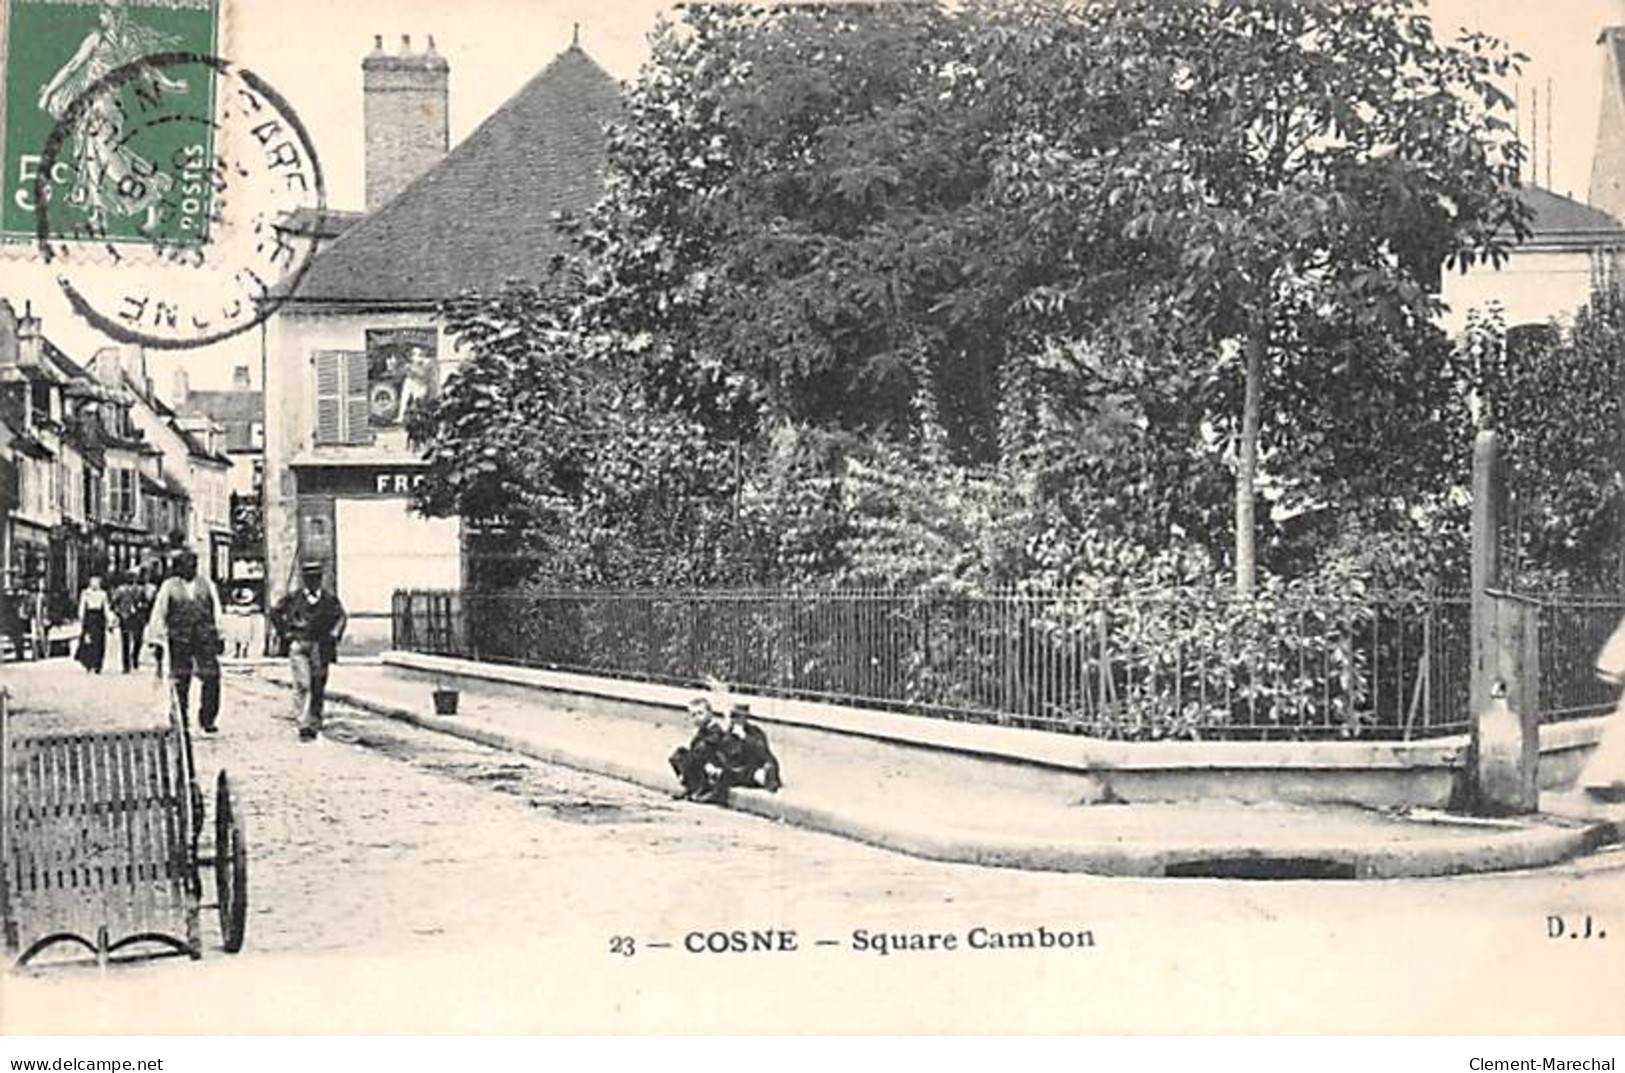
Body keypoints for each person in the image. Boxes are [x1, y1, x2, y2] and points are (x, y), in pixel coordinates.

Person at [146, 550, 225, 733]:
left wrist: (220, 635)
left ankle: (208, 718)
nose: (191, 569)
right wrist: (156, 639)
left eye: (194, 565)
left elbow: (216, 611)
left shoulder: (207, 585)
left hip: (204, 638)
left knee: (212, 676)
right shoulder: (169, 587)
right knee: (181, 679)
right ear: (178, 568)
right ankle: (180, 718)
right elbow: (159, 613)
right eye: (187, 565)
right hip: (180, 639)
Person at [268, 561, 347, 741]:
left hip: (321, 646)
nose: (313, 581)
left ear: (320, 579)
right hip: (300, 645)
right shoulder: (294, 598)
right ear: (304, 579)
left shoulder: (328, 599)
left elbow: (341, 617)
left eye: (316, 578)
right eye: (309, 578)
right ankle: (304, 725)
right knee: (303, 684)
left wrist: (335, 633)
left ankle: (315, 721)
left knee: (318, 684)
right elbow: (275, 612)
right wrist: (285, 633)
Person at [669, 697, 782, 804]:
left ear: (746, 718)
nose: (736, 720)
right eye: (733, 717)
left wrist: (743, 737)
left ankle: (761, 777)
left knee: (734, 773)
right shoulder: (727, 733)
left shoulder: (754, 732)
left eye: (739, 717)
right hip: (731, 768)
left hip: (748, 766)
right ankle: (695, 787)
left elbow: (761, 753)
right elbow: (720, 751)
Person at [111, 570, 153, 673]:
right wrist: (119, 612)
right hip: (125, 617)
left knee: (138, 639)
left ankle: (134, 656)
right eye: (130, 578)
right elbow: (114, 603)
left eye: (133, 578)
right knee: (125, 642)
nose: (132, 581)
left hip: (137, 617)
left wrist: (142, 607)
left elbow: (146, 603)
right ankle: (126, 666)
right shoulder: (120, 590)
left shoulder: (140, 590)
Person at [75, 574, 110, 673]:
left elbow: (106, 607)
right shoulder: (86, 593)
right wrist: (81, 618)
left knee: (98, 641)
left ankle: (96, 664)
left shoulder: (102, 594)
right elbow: (82, 606)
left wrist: (108, 619)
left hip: (97, 618)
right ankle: (91, 663)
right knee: (89, 641)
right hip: (91, 617)